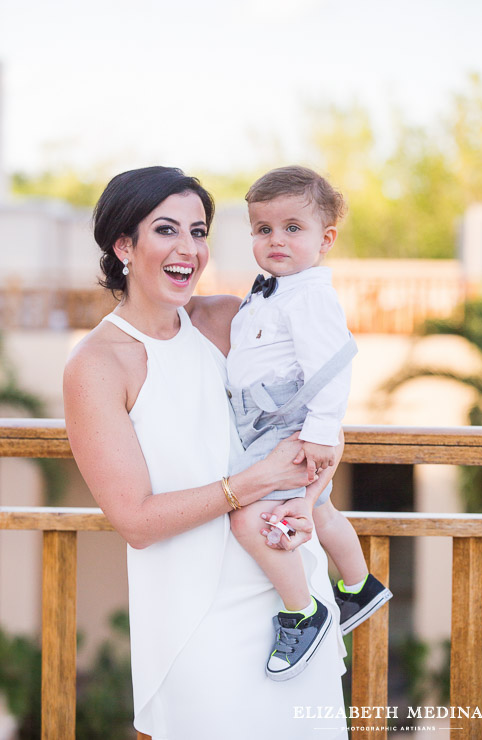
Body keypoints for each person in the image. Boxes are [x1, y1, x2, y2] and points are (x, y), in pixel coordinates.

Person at [63, 166, 349, 740]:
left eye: (199, 232)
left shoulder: (230, 320)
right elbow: (136, 522)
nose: (188, 249)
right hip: (197, 619)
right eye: (166, 230)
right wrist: (253, 483)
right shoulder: (95, 365)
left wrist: (309, 495)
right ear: (124, 245)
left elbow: (323, 402)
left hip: (293, 600)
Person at [227, 166, 392, 681]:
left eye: (292, 228)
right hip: (267, 417)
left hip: (285, 425)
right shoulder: (275, 289)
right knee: (319, 510)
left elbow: (331, 366)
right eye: (263, 229)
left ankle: (303, 610)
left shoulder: (309, 294)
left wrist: (322, 429)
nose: (276, 239)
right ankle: (358, 585)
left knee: (253, 520)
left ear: (326, 239)